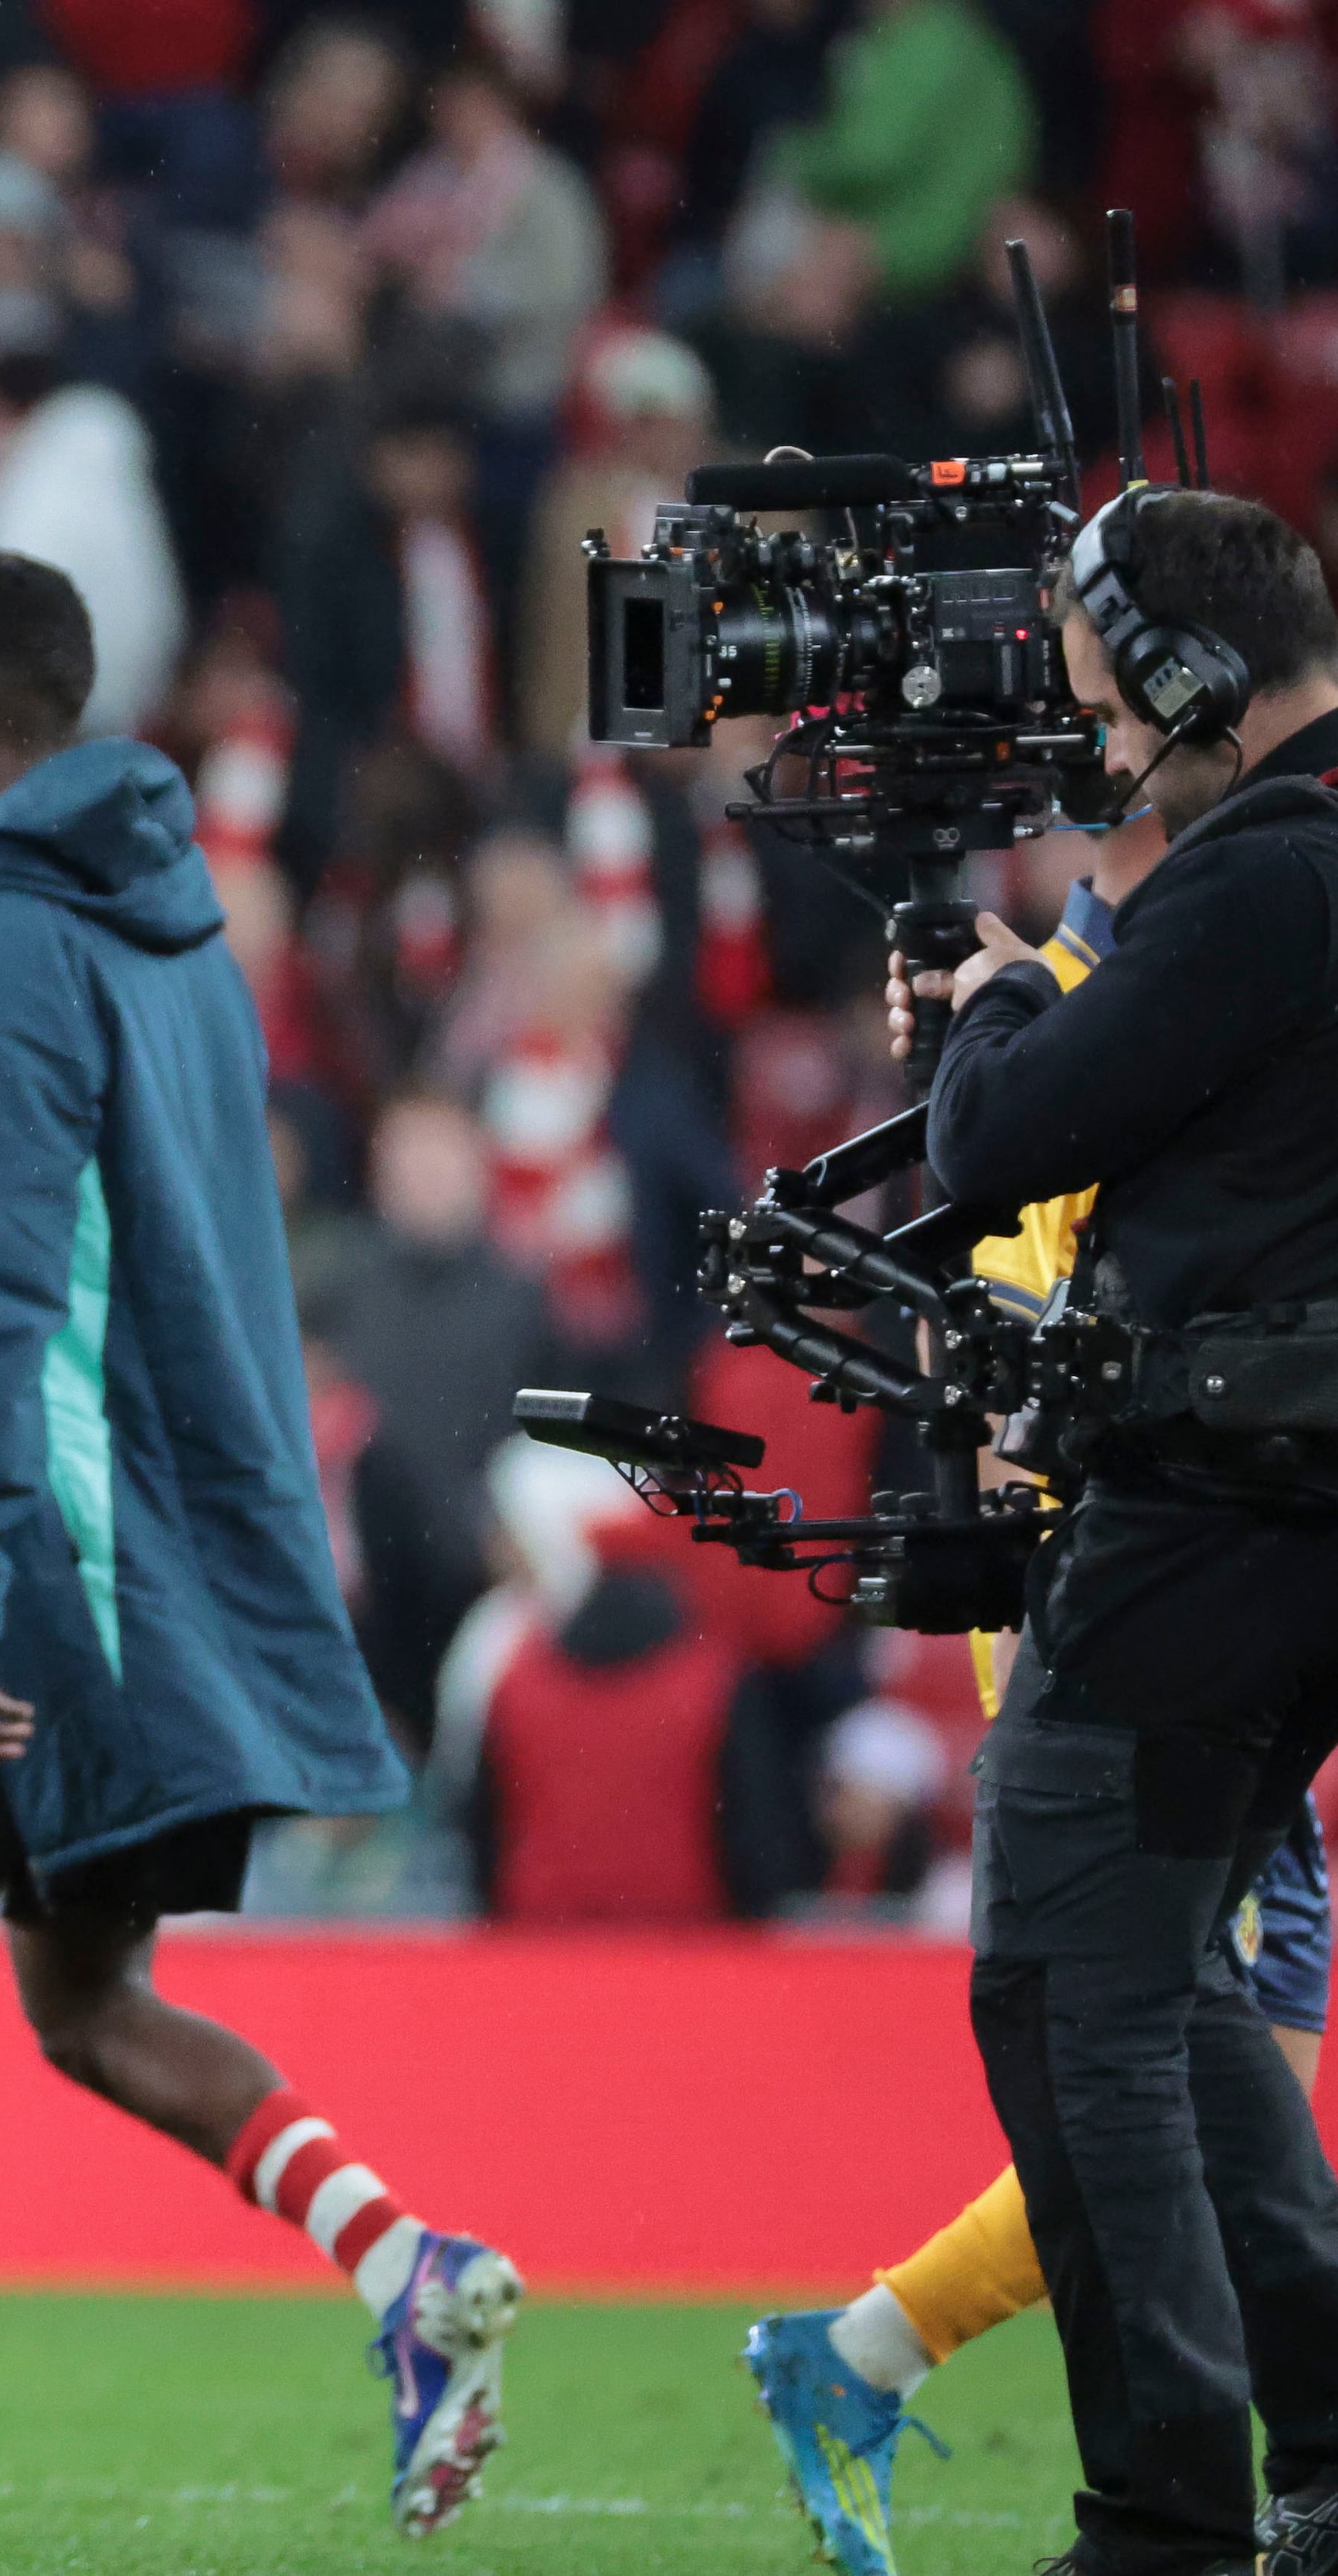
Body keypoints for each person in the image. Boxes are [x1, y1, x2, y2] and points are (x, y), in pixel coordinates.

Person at [0, 545, 518, 2540]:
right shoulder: (176, 932)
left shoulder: (1, 943)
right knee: (81, 1997)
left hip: (27, 1542)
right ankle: (407, 2263)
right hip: (152, 1536)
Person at [744, 785, 1336, 2576]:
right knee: (1171, 2026)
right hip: (1151, 1574)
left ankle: (898, 2365)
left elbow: (971, 1317)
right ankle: (1140, 2468)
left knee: (1176, 2025)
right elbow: (1009, 1320)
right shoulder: (1139, 1019)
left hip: (1154, 1566)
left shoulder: (1104, 1016)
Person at [888, 485, 1338, 2576]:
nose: (1107, 755)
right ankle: (1325, 2473)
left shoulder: (1263, 882)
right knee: (1175, 1984)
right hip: (1296, 1530)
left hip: (1212, 1512)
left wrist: (992, 990)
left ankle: (1164, 2519)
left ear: (1189, 685)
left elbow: (997, 1143)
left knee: (1070, 1987)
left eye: (1111, 711)